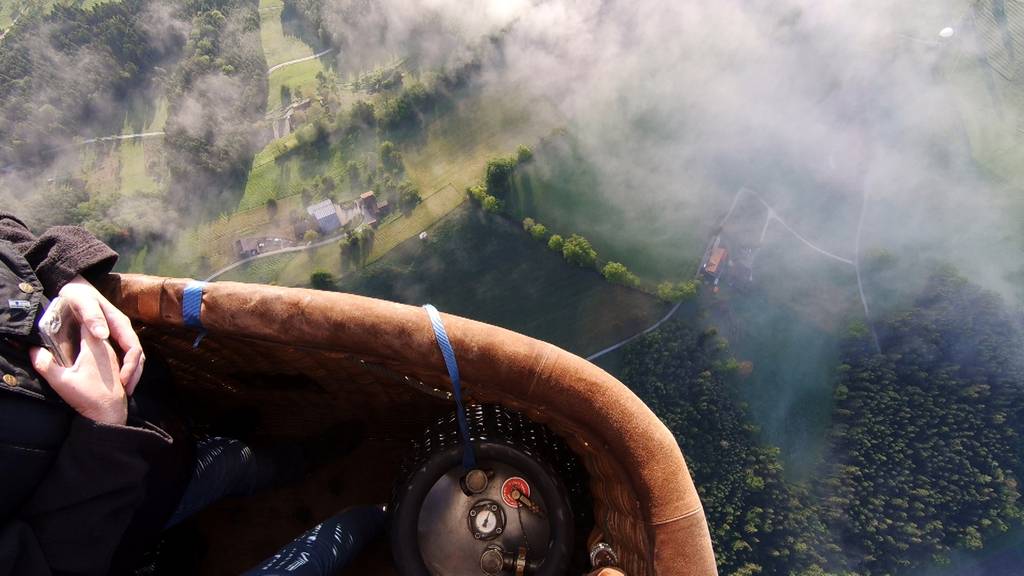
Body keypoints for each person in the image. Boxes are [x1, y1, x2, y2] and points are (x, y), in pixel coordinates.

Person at [0, 212, 383, 576]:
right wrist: (104, 423)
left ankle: (306, 465)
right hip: (105, 520)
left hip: (149, 468)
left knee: (231, 461)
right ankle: (390, 517)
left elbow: (6, 231)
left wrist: (59, 274)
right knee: (313, 558)